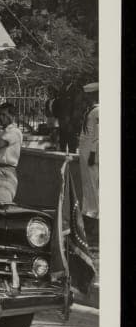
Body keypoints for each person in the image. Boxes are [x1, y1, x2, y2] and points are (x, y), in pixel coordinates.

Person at [78, 81, 99, 240]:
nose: (84, 98)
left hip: (92, 156)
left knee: (93, 187)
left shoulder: (98, 111)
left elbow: (98, 136)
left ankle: (95, 220)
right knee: (87, 186)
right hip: (85, 155)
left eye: (87, 95)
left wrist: (92, 153)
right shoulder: (90, 111)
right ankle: (88, 216)